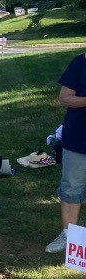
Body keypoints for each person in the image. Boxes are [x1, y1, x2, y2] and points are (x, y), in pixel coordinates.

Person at [45, 47, 86, 254]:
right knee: (71, 187)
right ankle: (68, 236)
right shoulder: (80, 62)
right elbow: (64, 97)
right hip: (79, 137)